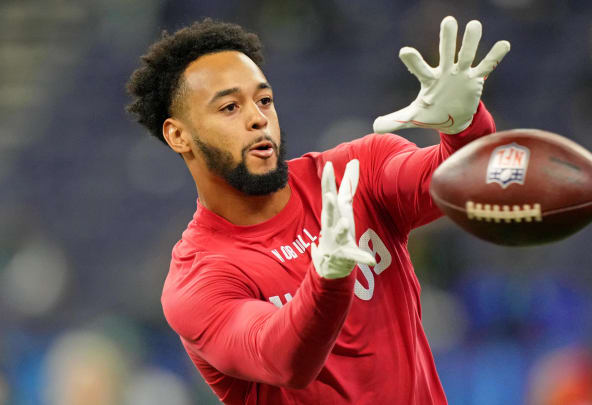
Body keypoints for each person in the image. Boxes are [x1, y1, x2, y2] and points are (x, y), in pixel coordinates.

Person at [126, 15, 510, 405]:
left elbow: (462, 184)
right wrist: (327, 277)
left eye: (264, 100)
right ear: (179, 135)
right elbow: (282, 359)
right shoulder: (199, 280)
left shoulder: (356, 172)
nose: (258, 118)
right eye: (229, 107)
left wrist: (465, 128)